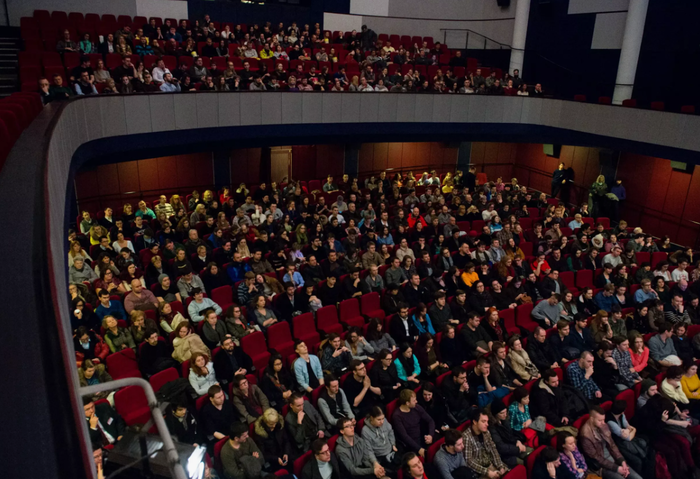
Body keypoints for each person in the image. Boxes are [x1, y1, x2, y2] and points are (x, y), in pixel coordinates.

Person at [579, 406, 643, 479]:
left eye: (603, 419)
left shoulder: (603, 425)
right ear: (592, 419)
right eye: (600, 420)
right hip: (603, 466)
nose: (603, 423)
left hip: (614, 459)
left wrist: (622, 461)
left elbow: (612, 445)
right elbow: (596, 458)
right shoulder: (585, 436)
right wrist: (617, 468)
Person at [462, 409, 509, 479]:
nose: (487, 424)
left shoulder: (486, 432)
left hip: (491, 464)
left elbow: (493, 449)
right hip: (480, 471)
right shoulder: (466, 437)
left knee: (510, 474)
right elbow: (469, 461)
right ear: (475, 422)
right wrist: (487, 472)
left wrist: (500, 466)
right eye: (483, 421)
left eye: (487, 421)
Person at [488, 398, 532, 468]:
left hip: (514, 447)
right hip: (506, 456)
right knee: (525, 464)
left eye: (506, 412)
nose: (505, 415)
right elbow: (501, 447)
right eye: (502, 413)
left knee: (532, 454)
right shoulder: (492, 428)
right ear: (495, 414)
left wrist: (517, 441)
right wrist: (517, 449)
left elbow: (511, 435)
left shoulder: (504, 420)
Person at [391, 389, 435, 457]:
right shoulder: (397, 416)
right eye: (414, 400)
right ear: (407, 403)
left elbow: (430, 420)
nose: (416, 402)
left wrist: (430, 435)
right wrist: (418, 449)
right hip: (411, 444)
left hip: (422, 437)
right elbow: (404, 436)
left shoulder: (416, 407)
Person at [252, 408, 291, 474]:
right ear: (265, 422)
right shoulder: (259, 434)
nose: (274, 426)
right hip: (271, 459)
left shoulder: (279, 425)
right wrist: (276, 459)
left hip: (282, 453)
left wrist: (286, 453)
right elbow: (262, 453)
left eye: (275, 423)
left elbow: (286, 440)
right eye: (271, 424)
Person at [362, 406, 400, 473]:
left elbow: (390, 432)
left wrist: (393, 444)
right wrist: (375, 462)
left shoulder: (384, 421)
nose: (382, 422)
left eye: (383, 418)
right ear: (372, 418)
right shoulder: (365, 431)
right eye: (379, 419)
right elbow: (369, 450)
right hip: (380, 456)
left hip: (391, 449)